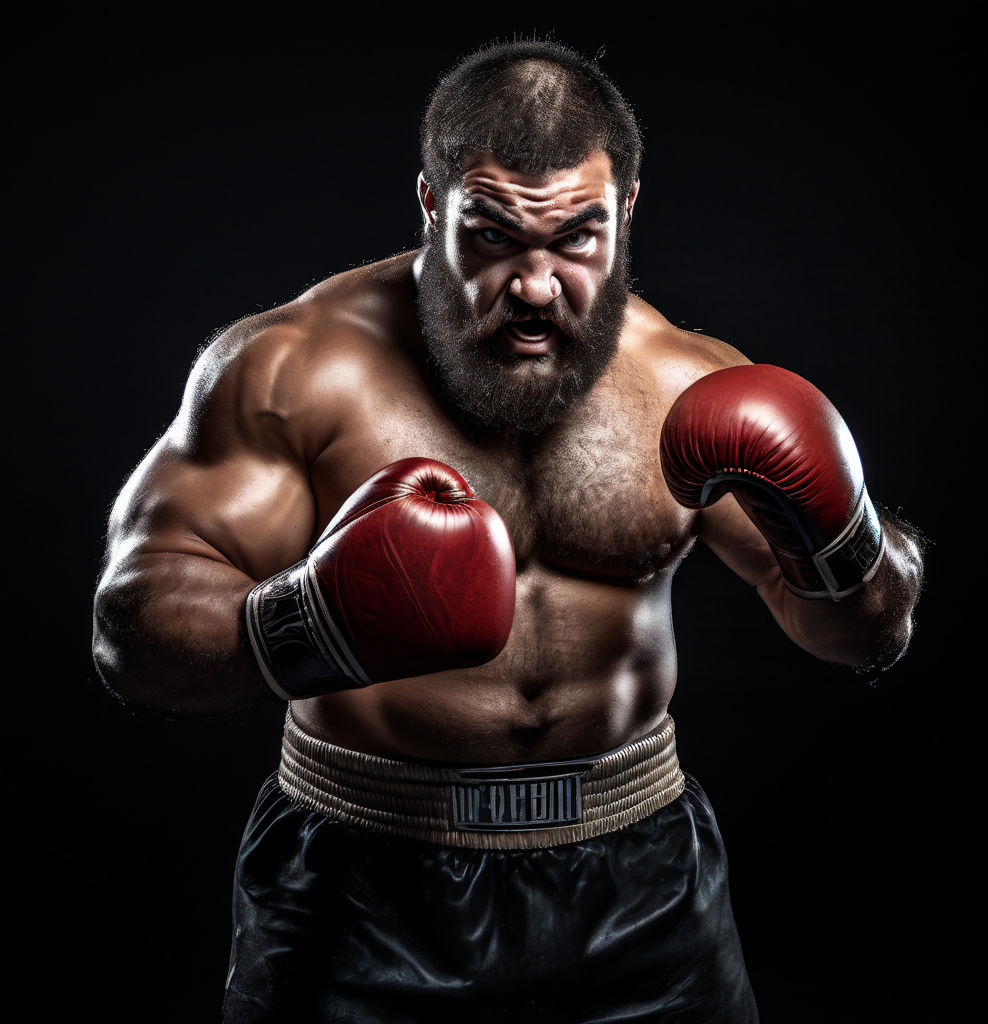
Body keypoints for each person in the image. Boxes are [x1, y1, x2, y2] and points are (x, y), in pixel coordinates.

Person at [92, 38, 924, 1024]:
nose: (535, 285)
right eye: (492, 236)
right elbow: (130, 631)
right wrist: (314, 619)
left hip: (641, 889)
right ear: (432, 206)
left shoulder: (686, 384)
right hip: (360, 881)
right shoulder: (294, 370)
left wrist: (845, 535)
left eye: (577, 238)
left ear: (626, 214)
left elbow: (864, 632)